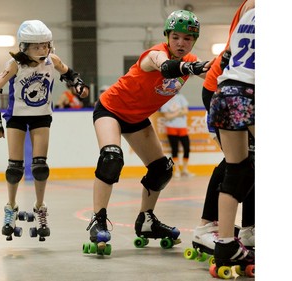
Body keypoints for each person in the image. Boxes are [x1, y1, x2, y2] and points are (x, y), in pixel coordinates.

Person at [85, 10, 215, 252]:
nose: (181, 43)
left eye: (187, 39)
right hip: (110, 109)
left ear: (194, 41)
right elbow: (164, 66)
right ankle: (98, 219)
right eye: (176, 37)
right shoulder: (154, 54)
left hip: (136, 119)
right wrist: (192, 67)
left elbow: (215, 75)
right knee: (111, 158)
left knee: (161, 169)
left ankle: (146, 220)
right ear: (167, 36)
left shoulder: (191, 61)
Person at [0, 19, 89, 241]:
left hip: (41, 117)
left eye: (45, 45)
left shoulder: (52, 60)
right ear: (24, 47)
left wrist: (78, 86)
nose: (42, 50)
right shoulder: (14, 65)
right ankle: (10, 207)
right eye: (37, 46)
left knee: (40, 168)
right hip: (17, 118)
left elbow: (70, 74)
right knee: (15, 169)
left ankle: (40, 207)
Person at [190, 0, 255, 259]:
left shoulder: (252, 11)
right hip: (240, 89)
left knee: (241, 165)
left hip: (227, 88)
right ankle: (209, 225)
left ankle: (235, 236)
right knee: (242, 164)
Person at [209, 6, 255, 274]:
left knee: (237, 169)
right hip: (250, 93)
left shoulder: (248, 14)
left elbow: (227, 57)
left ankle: (225, 244)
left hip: (225, 91)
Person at [160, 94, 194, 178]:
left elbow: (186, 111)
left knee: (187, 147)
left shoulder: (180, 97)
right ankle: (177, 170)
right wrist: (179, 112)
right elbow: (167, 117)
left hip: (182, 127)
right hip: (171, 127)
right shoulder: (165, 100)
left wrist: (173, 114)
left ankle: (185, 169)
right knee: (174, 149)